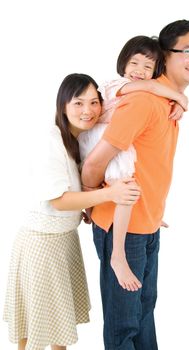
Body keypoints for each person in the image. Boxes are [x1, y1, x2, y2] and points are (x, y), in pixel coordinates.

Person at [81, 20, 189, 350]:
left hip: (146, 222)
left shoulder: (170, 103)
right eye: (187, 51)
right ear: (165, 56)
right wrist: (91, 201)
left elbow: (149, 166)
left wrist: (152, 210)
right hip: (121, 227)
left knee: (143, 312)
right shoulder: (143, 102)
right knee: (125, 323)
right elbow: (96, 161)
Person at [3, 73, 140, 350]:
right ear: (63, 105)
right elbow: (58, 200)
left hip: (63, 241)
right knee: (38, 332)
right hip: (42, 244)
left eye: (93, 102)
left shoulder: (79, 139)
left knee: (54, 328)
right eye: (78, 103)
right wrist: (110, 194)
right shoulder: (50, 140)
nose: (87, 111)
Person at [78, 35, 188, 292]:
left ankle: (109, 216)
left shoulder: (148, 97)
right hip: (98, 141)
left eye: (147, 67)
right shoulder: (117, 85)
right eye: (134, 63)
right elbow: (151, 88)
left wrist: (177, 102)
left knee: (126, 188)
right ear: (123, 63)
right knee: (125, 188)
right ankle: (118, 254)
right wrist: (182, 99)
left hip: (113, 145)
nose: (139, 71)